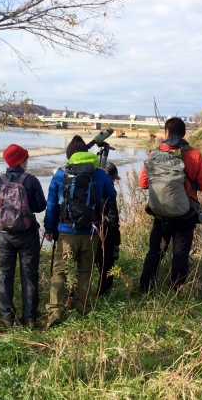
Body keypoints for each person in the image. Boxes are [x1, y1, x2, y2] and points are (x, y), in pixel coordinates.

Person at [43, 135, 117, 328]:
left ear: (69, 155)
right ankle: (83, 308)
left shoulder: (60, 174)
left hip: (66, 233)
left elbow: (51, 205)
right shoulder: (99, 174)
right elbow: (112, 195)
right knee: (86, 270)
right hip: (91, 232)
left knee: (60, 272)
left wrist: (49, 229)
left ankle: (55, 312)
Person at [138, 117, 202, 293]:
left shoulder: (154, 154)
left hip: (160, 215)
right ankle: (176, 292)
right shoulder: (194, 155)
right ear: (184, 134)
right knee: (180, 255)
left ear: (166, 132)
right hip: (185, 215)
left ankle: (144, 290)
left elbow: (143, 184)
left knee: (154, 253)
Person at [0, 144, 47, 328]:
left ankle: (6, 318)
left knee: (4, 274)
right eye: (26, 158)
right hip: (28, 235)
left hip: (4, 236)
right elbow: (41, 206)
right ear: (21, 161)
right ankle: (30, 318)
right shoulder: (31, 180)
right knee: (29, 275)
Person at [95, 162, 121, 296]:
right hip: (105, 231)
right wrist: (116, 242)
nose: (114, 182)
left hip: (88, 230)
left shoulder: (91, 184)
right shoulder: (109, 193)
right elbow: (114, 219)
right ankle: (102, 293)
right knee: (107, 264)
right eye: (113, 179)